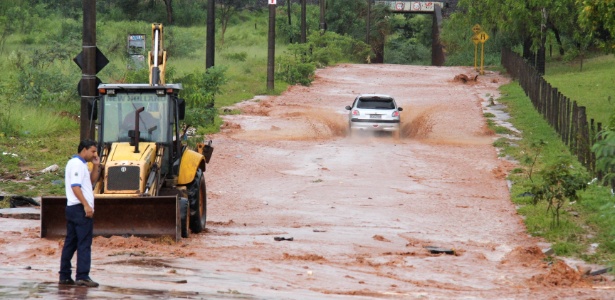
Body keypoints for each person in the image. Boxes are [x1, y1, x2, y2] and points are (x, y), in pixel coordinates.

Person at [58, 139, 101, 287]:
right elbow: (75, 187)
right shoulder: (76, 164)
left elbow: (90, 182)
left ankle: (64, 276)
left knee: (71, 242)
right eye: (93, 151)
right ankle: (82, 276)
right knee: (84, 243)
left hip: (73, 208)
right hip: (79, 209)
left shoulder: (82, 164)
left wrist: (95, 166)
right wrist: (86, 205)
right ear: (84, 149)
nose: (94, 154)